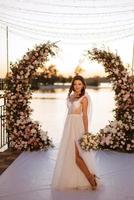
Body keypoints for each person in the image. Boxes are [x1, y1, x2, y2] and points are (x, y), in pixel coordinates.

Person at [52, 75, 98, 190]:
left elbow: (85, 116)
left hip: (78, 126)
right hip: (69, 126)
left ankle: (91, 178)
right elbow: (69, 113)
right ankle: (82, 178)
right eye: (75, 84)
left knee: (78, 155)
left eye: (79, 84)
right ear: (73, 85)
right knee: (72, 154)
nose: (77, 86)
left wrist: (86, 132)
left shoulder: (85, 98)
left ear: (83, 86)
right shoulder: (71, 96)